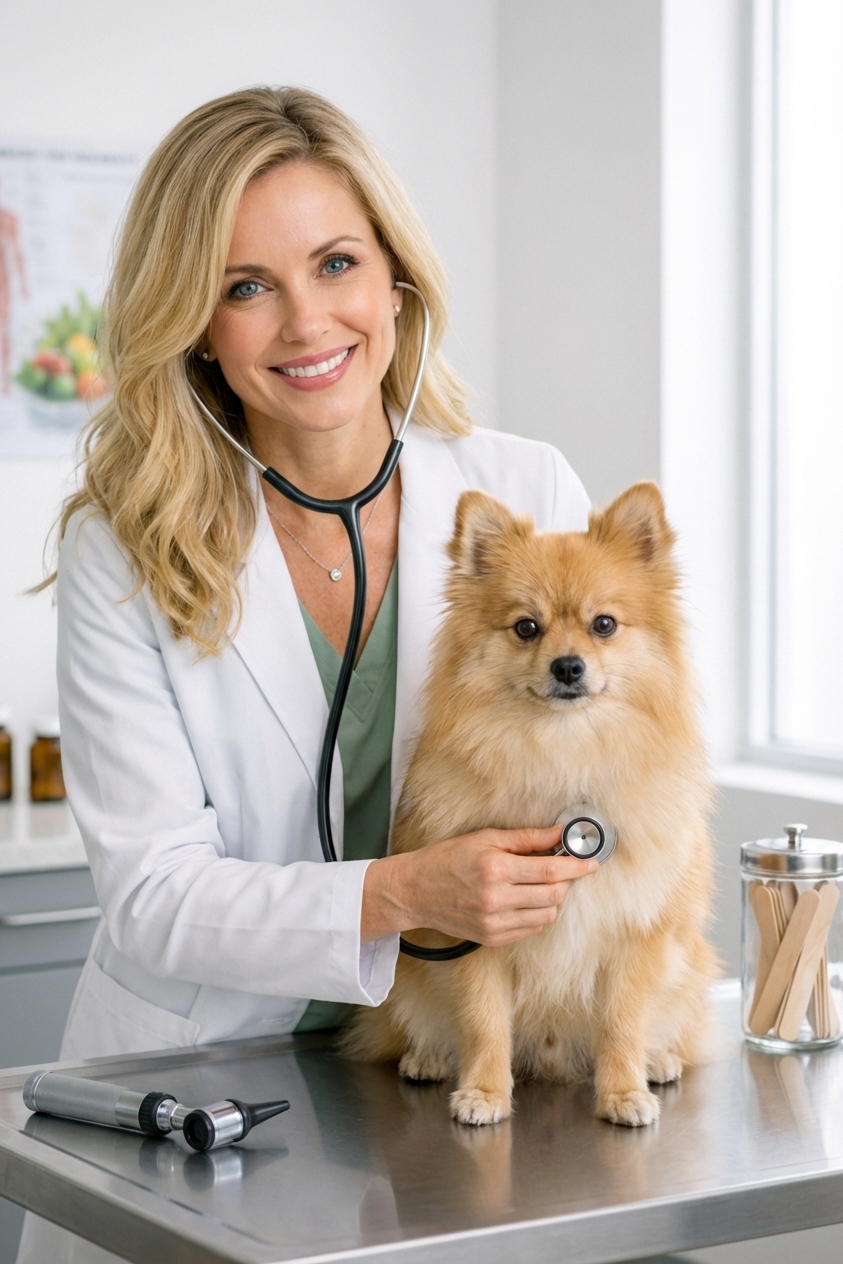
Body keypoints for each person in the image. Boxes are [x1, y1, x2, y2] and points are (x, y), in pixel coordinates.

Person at [17, 86, 594, 1263]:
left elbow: (593, 779)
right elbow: (155, 895)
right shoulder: (124, 543)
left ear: (395, 280)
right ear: (193, 323)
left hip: (448, 1070)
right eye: (245, 286)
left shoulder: (525, 490)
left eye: (335, 262)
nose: (304, 321)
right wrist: (400, 895)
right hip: (204, 1087)